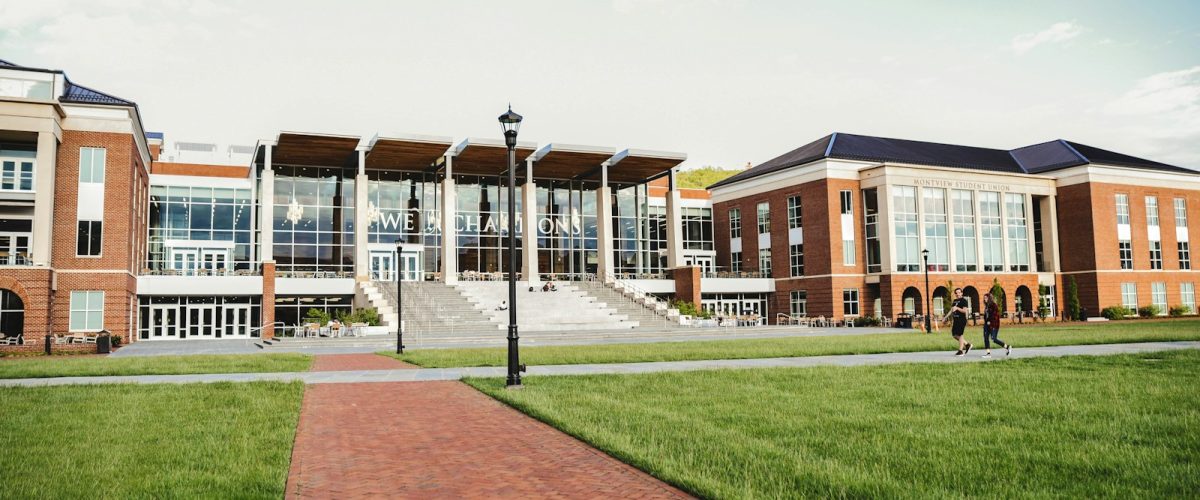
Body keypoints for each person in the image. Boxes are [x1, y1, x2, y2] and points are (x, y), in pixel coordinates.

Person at [941, 287, 973, 356]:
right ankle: (967, 344)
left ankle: (960, 351)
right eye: (956, 293)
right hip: (956, 320)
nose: (958, 294)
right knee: (954, 335)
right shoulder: (955, 301)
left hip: (961, 320)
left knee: (960, 335)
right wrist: (945, 317)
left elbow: (965, 311)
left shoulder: (964, 301)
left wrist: (957, 308)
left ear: (961, 293)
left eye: (959, 292)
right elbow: (952, 310)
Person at [981, 293, 1011, 357]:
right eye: (984, 298)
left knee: (994, 339)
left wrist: (990, 322)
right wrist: (986, 322)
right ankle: (988, 354)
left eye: (986, 298)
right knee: (986, 338)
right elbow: (986, 316)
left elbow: (996, 316)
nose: (984, 299)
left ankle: (1007, 347)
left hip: (994, 325)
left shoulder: (994, 305)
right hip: (986, 325)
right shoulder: (987, 306)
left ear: (989, 298)